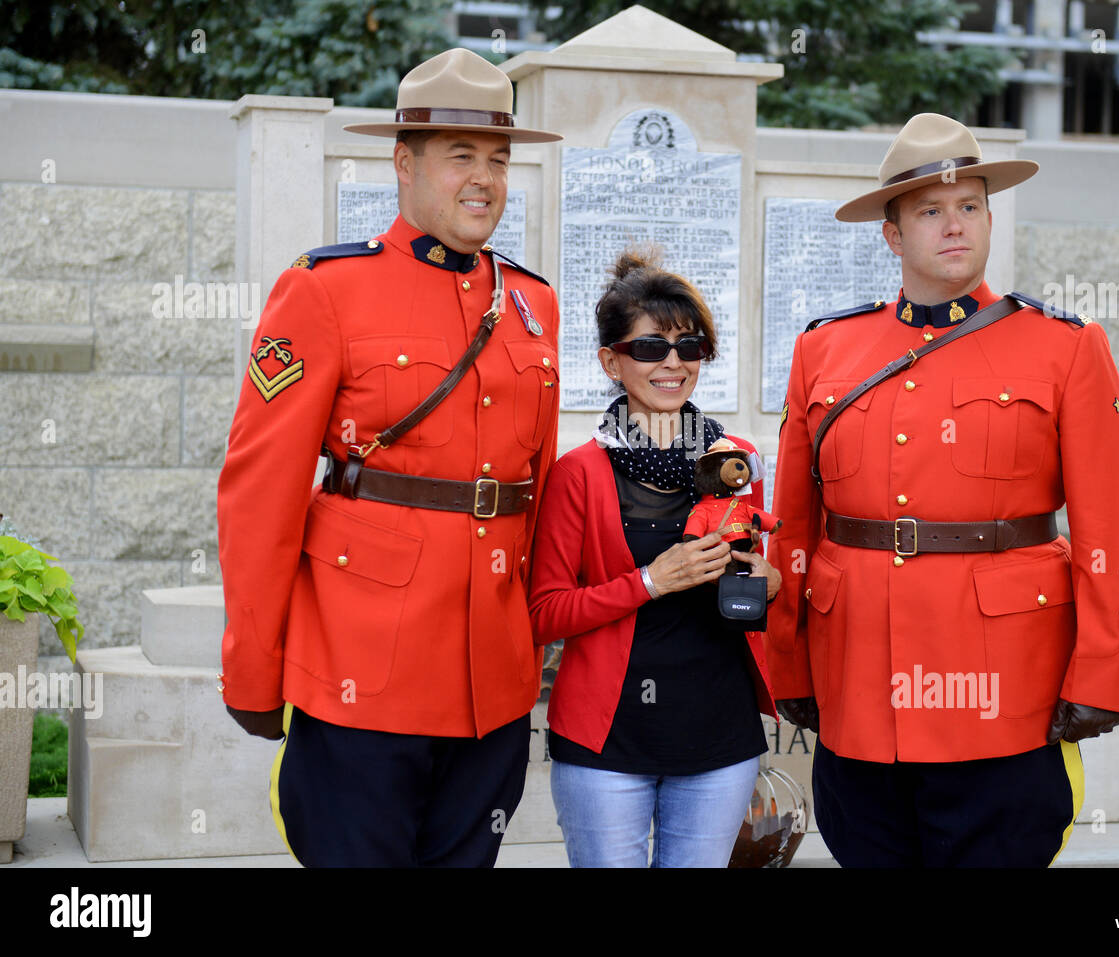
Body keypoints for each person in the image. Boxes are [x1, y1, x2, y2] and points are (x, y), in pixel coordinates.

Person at [765, 113, 1119, 867]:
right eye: (931, 210)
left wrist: (1106, 668)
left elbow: (1116, 527)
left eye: (970, 206)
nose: (955, 226)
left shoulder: (1064, 348)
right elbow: (795, 529)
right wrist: (789, 661)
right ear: (892, 233)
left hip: (1003, 697)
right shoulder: (825, 349)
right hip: (861, 697)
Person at [216, 48, 563, 867]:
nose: (485, 178)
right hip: (361, 673)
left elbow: (535, 491)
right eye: (460, 156)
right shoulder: (326, 290)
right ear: (403, 163)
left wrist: (535, 650)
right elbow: (259, 494)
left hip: (491, 683)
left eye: (499, 159)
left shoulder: (531, 304)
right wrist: (255, 671)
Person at [527, 249, 779, 868]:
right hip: (608, 738)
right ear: (611, 362)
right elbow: (544, 612)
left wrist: (768, 583)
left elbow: (752, 581)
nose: (672, 363)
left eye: (688, 346)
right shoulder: (577, 473)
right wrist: (648, 582)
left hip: (721, 733)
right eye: (649, 348)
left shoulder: (736, 460)